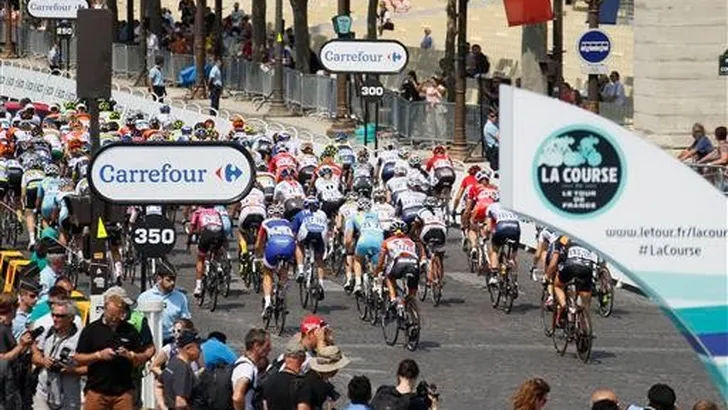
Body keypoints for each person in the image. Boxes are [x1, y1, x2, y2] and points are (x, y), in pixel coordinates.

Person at [75, 293, 145, 410]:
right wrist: (99, 355)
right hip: (97, 390)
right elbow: (78, 358)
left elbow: (142, 357)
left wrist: (130, 355)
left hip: (123, 391)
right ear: (104, 310)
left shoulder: (130, 330)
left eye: (117, 316)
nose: (113, 319)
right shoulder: (92, 330)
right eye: (110, 315)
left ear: (122, 313)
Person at [31, 300, 85, 410]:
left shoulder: (81, 338)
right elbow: (35, 357)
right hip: (43, 394)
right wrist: (43, 361)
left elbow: (91, 368)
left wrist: (71, 370)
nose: (55, 319)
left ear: (71, 318)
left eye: (60, 316)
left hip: (68, 398)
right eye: (53, 315)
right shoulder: (48, 332)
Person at [545, 235, 596, 328]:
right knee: (585, 300)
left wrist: (547, 276)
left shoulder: (564, 237)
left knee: (558, 286)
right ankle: (584, 323)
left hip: (571, 266)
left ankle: (563, 306)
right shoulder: (586, 238)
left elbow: (553, 263)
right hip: (587, 268)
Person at [256, 203, 296, 317]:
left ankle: (268, 302)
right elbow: (294, 237)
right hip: (289, 246)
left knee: (267, 273)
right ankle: (282, 294)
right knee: (284, 269)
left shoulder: (265, 223)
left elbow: (259, 243)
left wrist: (258, 253)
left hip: (273, 246)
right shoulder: (288, 223)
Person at [137, 261, 191, 342]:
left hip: (172, 339)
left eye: (174, 279)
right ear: (159, 279)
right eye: (168, 280)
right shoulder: (144, 297)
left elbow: (186, 321)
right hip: (150, 340)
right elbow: (138, 320)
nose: (172, 283)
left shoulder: (181, 297)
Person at [292, 196, 328, 300]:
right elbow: (326, 228)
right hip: (320, 234)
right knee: (319, 258)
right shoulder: (323, 214)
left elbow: (294, 231)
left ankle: (301, 270)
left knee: (298, 245)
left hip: (306, 233)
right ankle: (321, 283)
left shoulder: (300, 214)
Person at [260, 337, 312, 410]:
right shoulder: (302, 385)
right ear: (303, 359)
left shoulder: (270, 379)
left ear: (284, 357)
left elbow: (265, 406)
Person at [162, 330, 205, 410]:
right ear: (188, 348)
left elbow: (158, 384)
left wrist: (162, 406)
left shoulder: (173, 362)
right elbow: (180, 403)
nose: (200, 350)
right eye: (198, 347)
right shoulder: (183, 369)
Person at [190, 204, 225, 297]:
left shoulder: (198, 212)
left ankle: (198, 287)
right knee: (217, 250)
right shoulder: (216, 211)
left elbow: (192, 228)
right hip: (219, 232)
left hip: (207, 232)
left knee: (200, 258)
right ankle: (219, 267)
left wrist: (189, 240)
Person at [232, 329, 271, 410]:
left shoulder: (248, 364)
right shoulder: (246, 368)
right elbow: (237, 397)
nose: (270, 349)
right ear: (256, 346)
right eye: (267, 346)